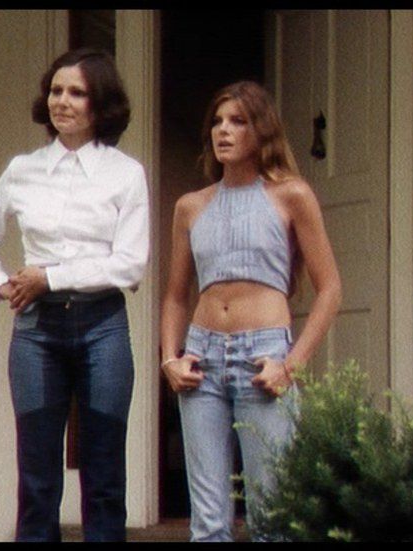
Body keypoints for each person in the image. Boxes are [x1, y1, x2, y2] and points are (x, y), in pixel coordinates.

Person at [0, 48, 149, 542]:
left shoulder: (125, 173)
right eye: (56, 90)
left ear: (100, 103)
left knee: (104, 474)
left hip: (103, 327)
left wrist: (51, 277)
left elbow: (130, 264)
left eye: (76, 93)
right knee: (37, 478)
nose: (62, 101)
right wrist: (1, 283)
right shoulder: (23, 169)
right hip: (37, 332)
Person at [159, 81, 341, 542]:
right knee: (208, 521)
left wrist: (291, 366)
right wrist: (169, 358)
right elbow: (176, 295)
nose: (224, 130)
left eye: (238, 121)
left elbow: (330, 289)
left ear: (261, 131)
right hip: (201, 359)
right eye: (217, 122)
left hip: (263, 357)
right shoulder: (190, 206)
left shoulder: (291, 195)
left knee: (272, 515)